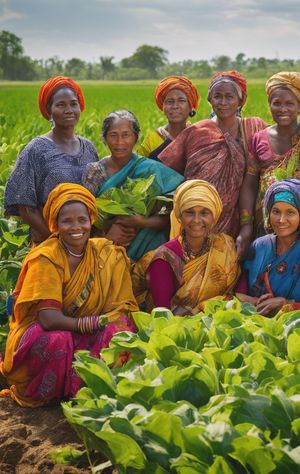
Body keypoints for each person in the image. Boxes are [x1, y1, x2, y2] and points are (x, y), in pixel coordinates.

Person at [0, 184, 138, 407]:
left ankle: (90, 390)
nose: (76, 227)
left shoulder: (106, 253)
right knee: (58, 340)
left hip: (89, 327)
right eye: (67, 221)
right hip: (47, 329)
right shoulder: (46, 257)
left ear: (91, 220)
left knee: (120, 330)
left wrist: (107, 322)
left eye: (82, 220)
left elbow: (122, 305)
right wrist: (89, 323)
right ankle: (51, 394)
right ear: (55, 224)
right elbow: (48, 318)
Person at [159, 71, 267, 238]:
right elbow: (166, 173)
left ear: (240, 100)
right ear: (210, 99)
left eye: (229, 97)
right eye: (217, 96)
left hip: (243, 218)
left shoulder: (255, 128)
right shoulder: (197, 132)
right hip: (198, 218)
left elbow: (273, 165)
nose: (223, 102)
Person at [237, 71, 300, 257]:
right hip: (267, 227)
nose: (283, 109)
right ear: (269, 106)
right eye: (277, 103)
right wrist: (246, 226)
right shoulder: (259, 139)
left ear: (299, 107)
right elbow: (249, 186)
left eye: (290, 103)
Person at [4, 76, 98, 244]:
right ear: (49, 111)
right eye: (61, 105)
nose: (69, 110)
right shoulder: (36, 150)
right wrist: (57, 239)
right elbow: (25, 208)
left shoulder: (89, 148)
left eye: (73, 104)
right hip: (48, 242)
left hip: (84, 242)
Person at [82, 110, 184, 261]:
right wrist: (109, 228)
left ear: (136, 137)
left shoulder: (150, 170)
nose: (119, 142)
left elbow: (173, 214)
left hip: (149, 248)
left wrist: (142, 222)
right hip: (106, 250)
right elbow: (83, 215)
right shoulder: (94, 172)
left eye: (126, 135)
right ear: (104, 138)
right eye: (113, 135)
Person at [132, 180, 240, 315]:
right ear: (179, 216)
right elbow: (163, 315)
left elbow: (237, 294)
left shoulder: (225, 245)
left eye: (204, 213)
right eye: (189, 212)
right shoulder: (164, 258)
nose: (196, 220)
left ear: (214, 216)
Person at [237, 178, 300, 320]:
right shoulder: (259, 247)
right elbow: (238, 294)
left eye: (290, 212)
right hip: (257, 328)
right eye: (276, 212)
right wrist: (255, 302)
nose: (281, 220)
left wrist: (286, 305)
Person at [137, 75, 200, 159]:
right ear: (163, 107)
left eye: (181, 101)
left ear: (190, 106)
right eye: (169, 101)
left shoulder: (199, 137)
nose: (175, 106)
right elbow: (139, 168)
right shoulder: (152, 140)